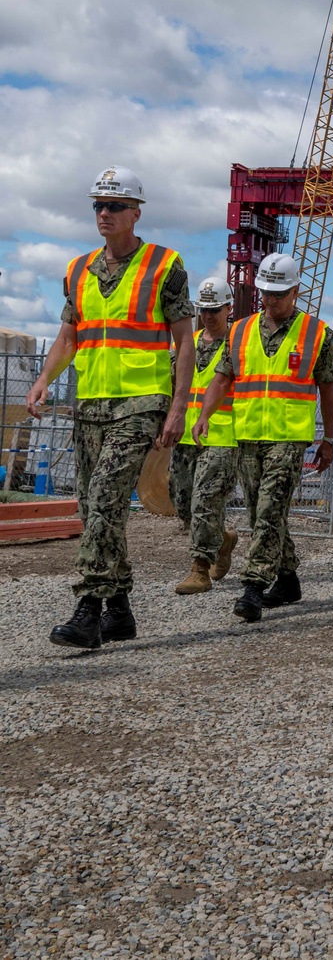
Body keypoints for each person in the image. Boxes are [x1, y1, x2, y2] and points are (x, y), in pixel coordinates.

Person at [27, 166, 195, 650]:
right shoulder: (78, 269)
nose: (104, 213)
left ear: (136, 213)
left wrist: (178, 406)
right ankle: (121, 609)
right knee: (95, 508)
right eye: (98, 205)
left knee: (104, 499)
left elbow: (184, 341)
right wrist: (43, 380)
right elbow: (68, 337)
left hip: (142, 402)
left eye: (115, 205)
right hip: (92, 403)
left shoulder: (164, 266)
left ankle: (90, 609)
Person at [193, 253, 333, 623]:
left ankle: (253, 586)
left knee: (271, 509)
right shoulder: (240, 331)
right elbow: (222, 379)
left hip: (290, 438)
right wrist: (204, 415)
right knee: (262, 513)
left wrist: (329, 439)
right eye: (264, 293)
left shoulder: (317, 334)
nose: (269, 301)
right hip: (249, 435)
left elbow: (328, 390)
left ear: (295, 291)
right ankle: (288, 579)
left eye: (277, 294)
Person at [171, 277, 240, 595]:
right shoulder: (186, 343)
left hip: (223, 436)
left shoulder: (239, 345)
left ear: (229, 308)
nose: (208, 315)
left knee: (205, 503)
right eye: (204, 309)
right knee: (183, 503)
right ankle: (223, 539)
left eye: (215, 309)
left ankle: (200, 570)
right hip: (185, 437)